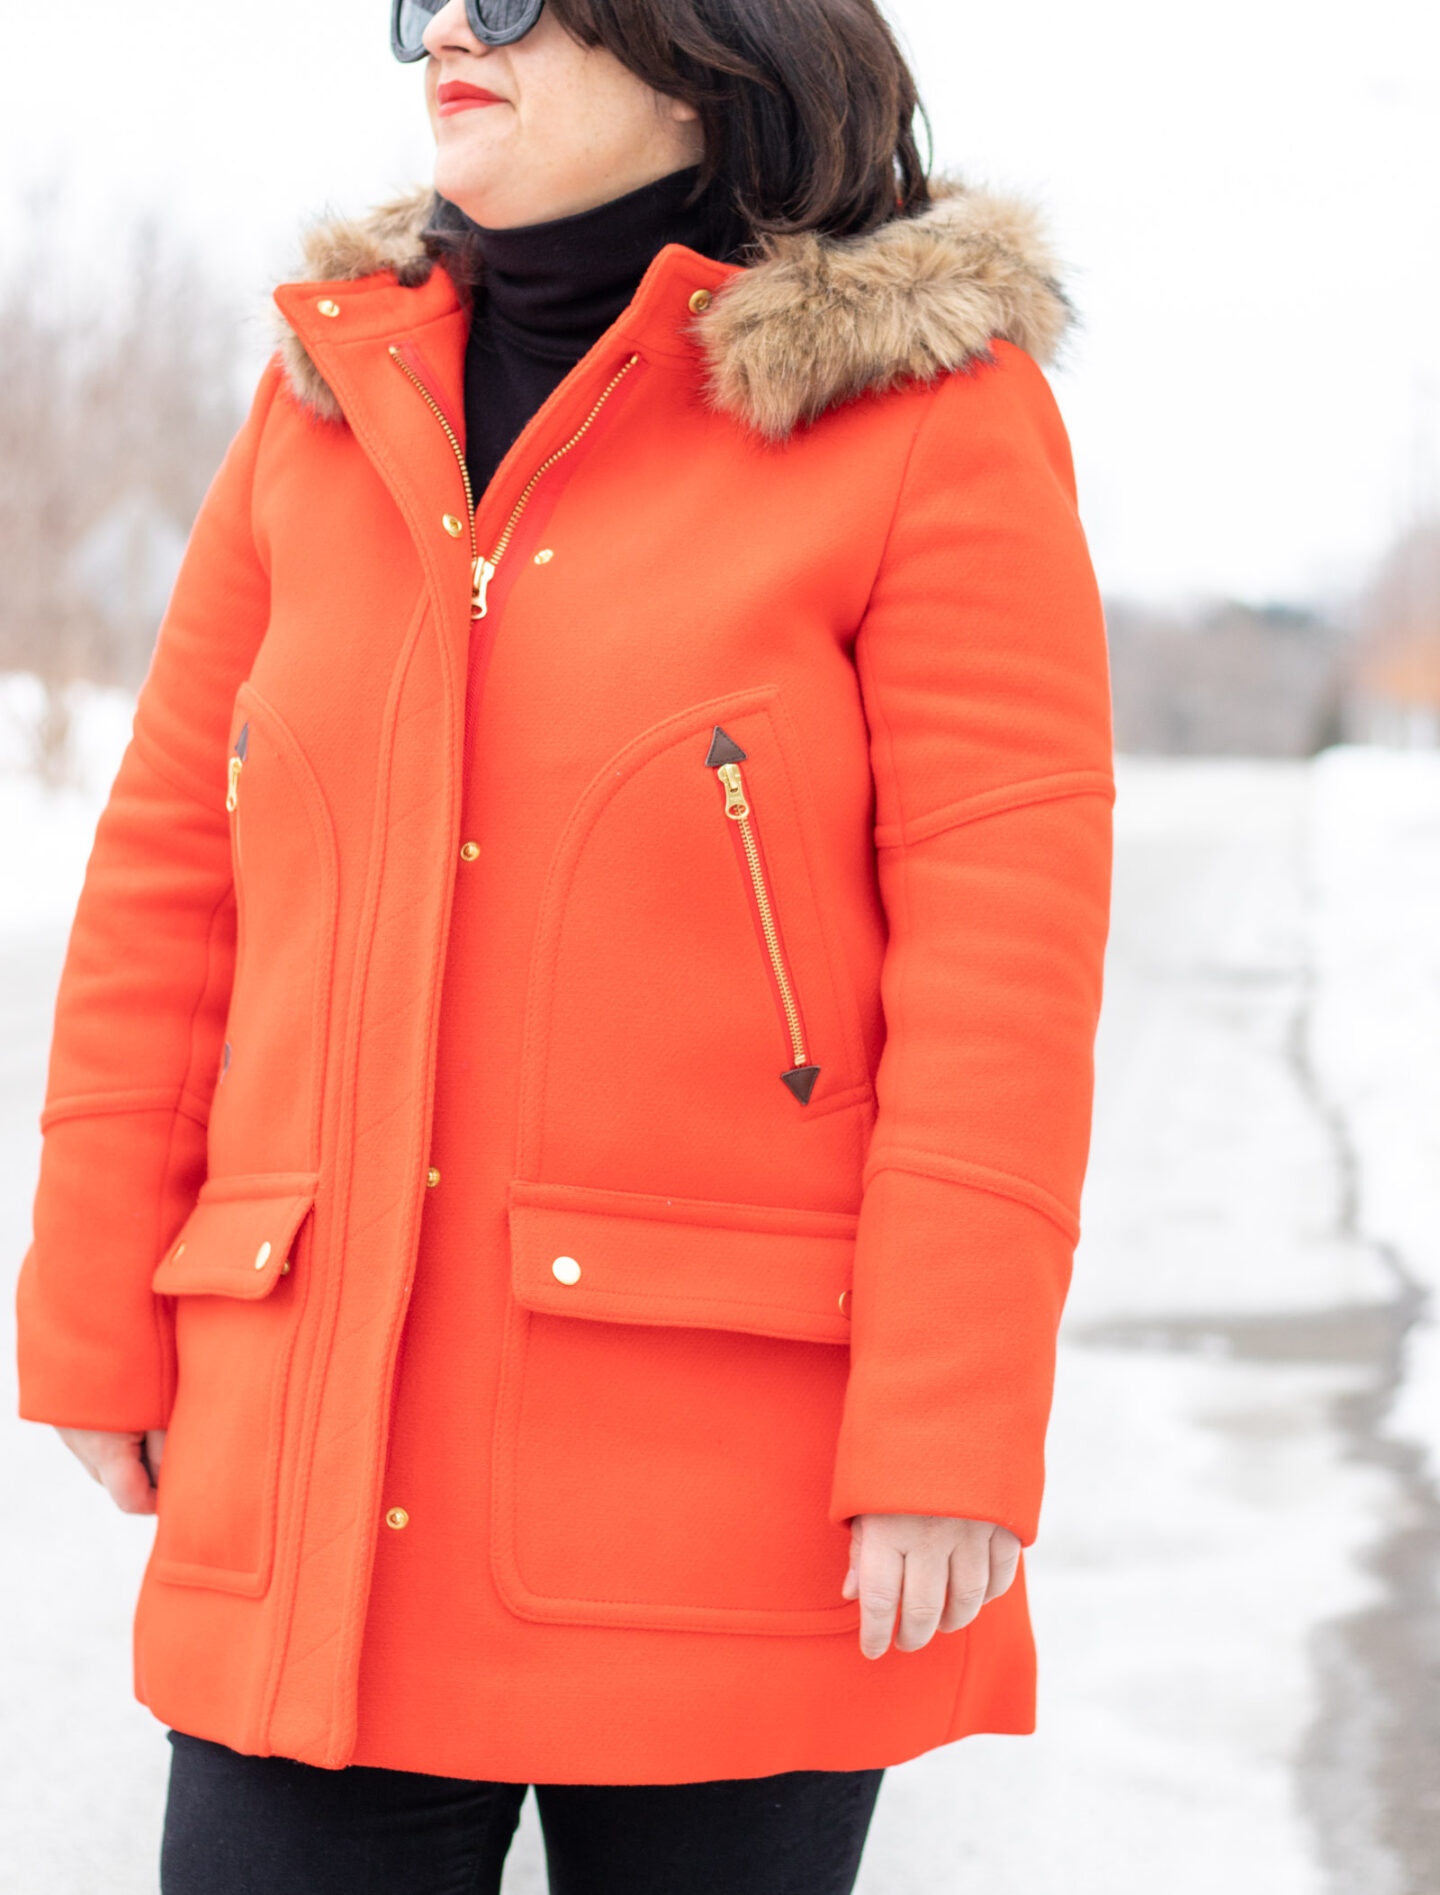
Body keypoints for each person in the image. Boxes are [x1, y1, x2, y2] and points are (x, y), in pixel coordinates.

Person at [14, 0, 1115, 1888]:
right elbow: (170, 893)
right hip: (316, 1479)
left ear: (704, 41)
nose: (447, 24)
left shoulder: (924, 419)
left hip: (718, 1500)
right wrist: (96, 1297)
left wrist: (949, 1427)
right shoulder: (318, 407)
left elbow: (1003, 958)